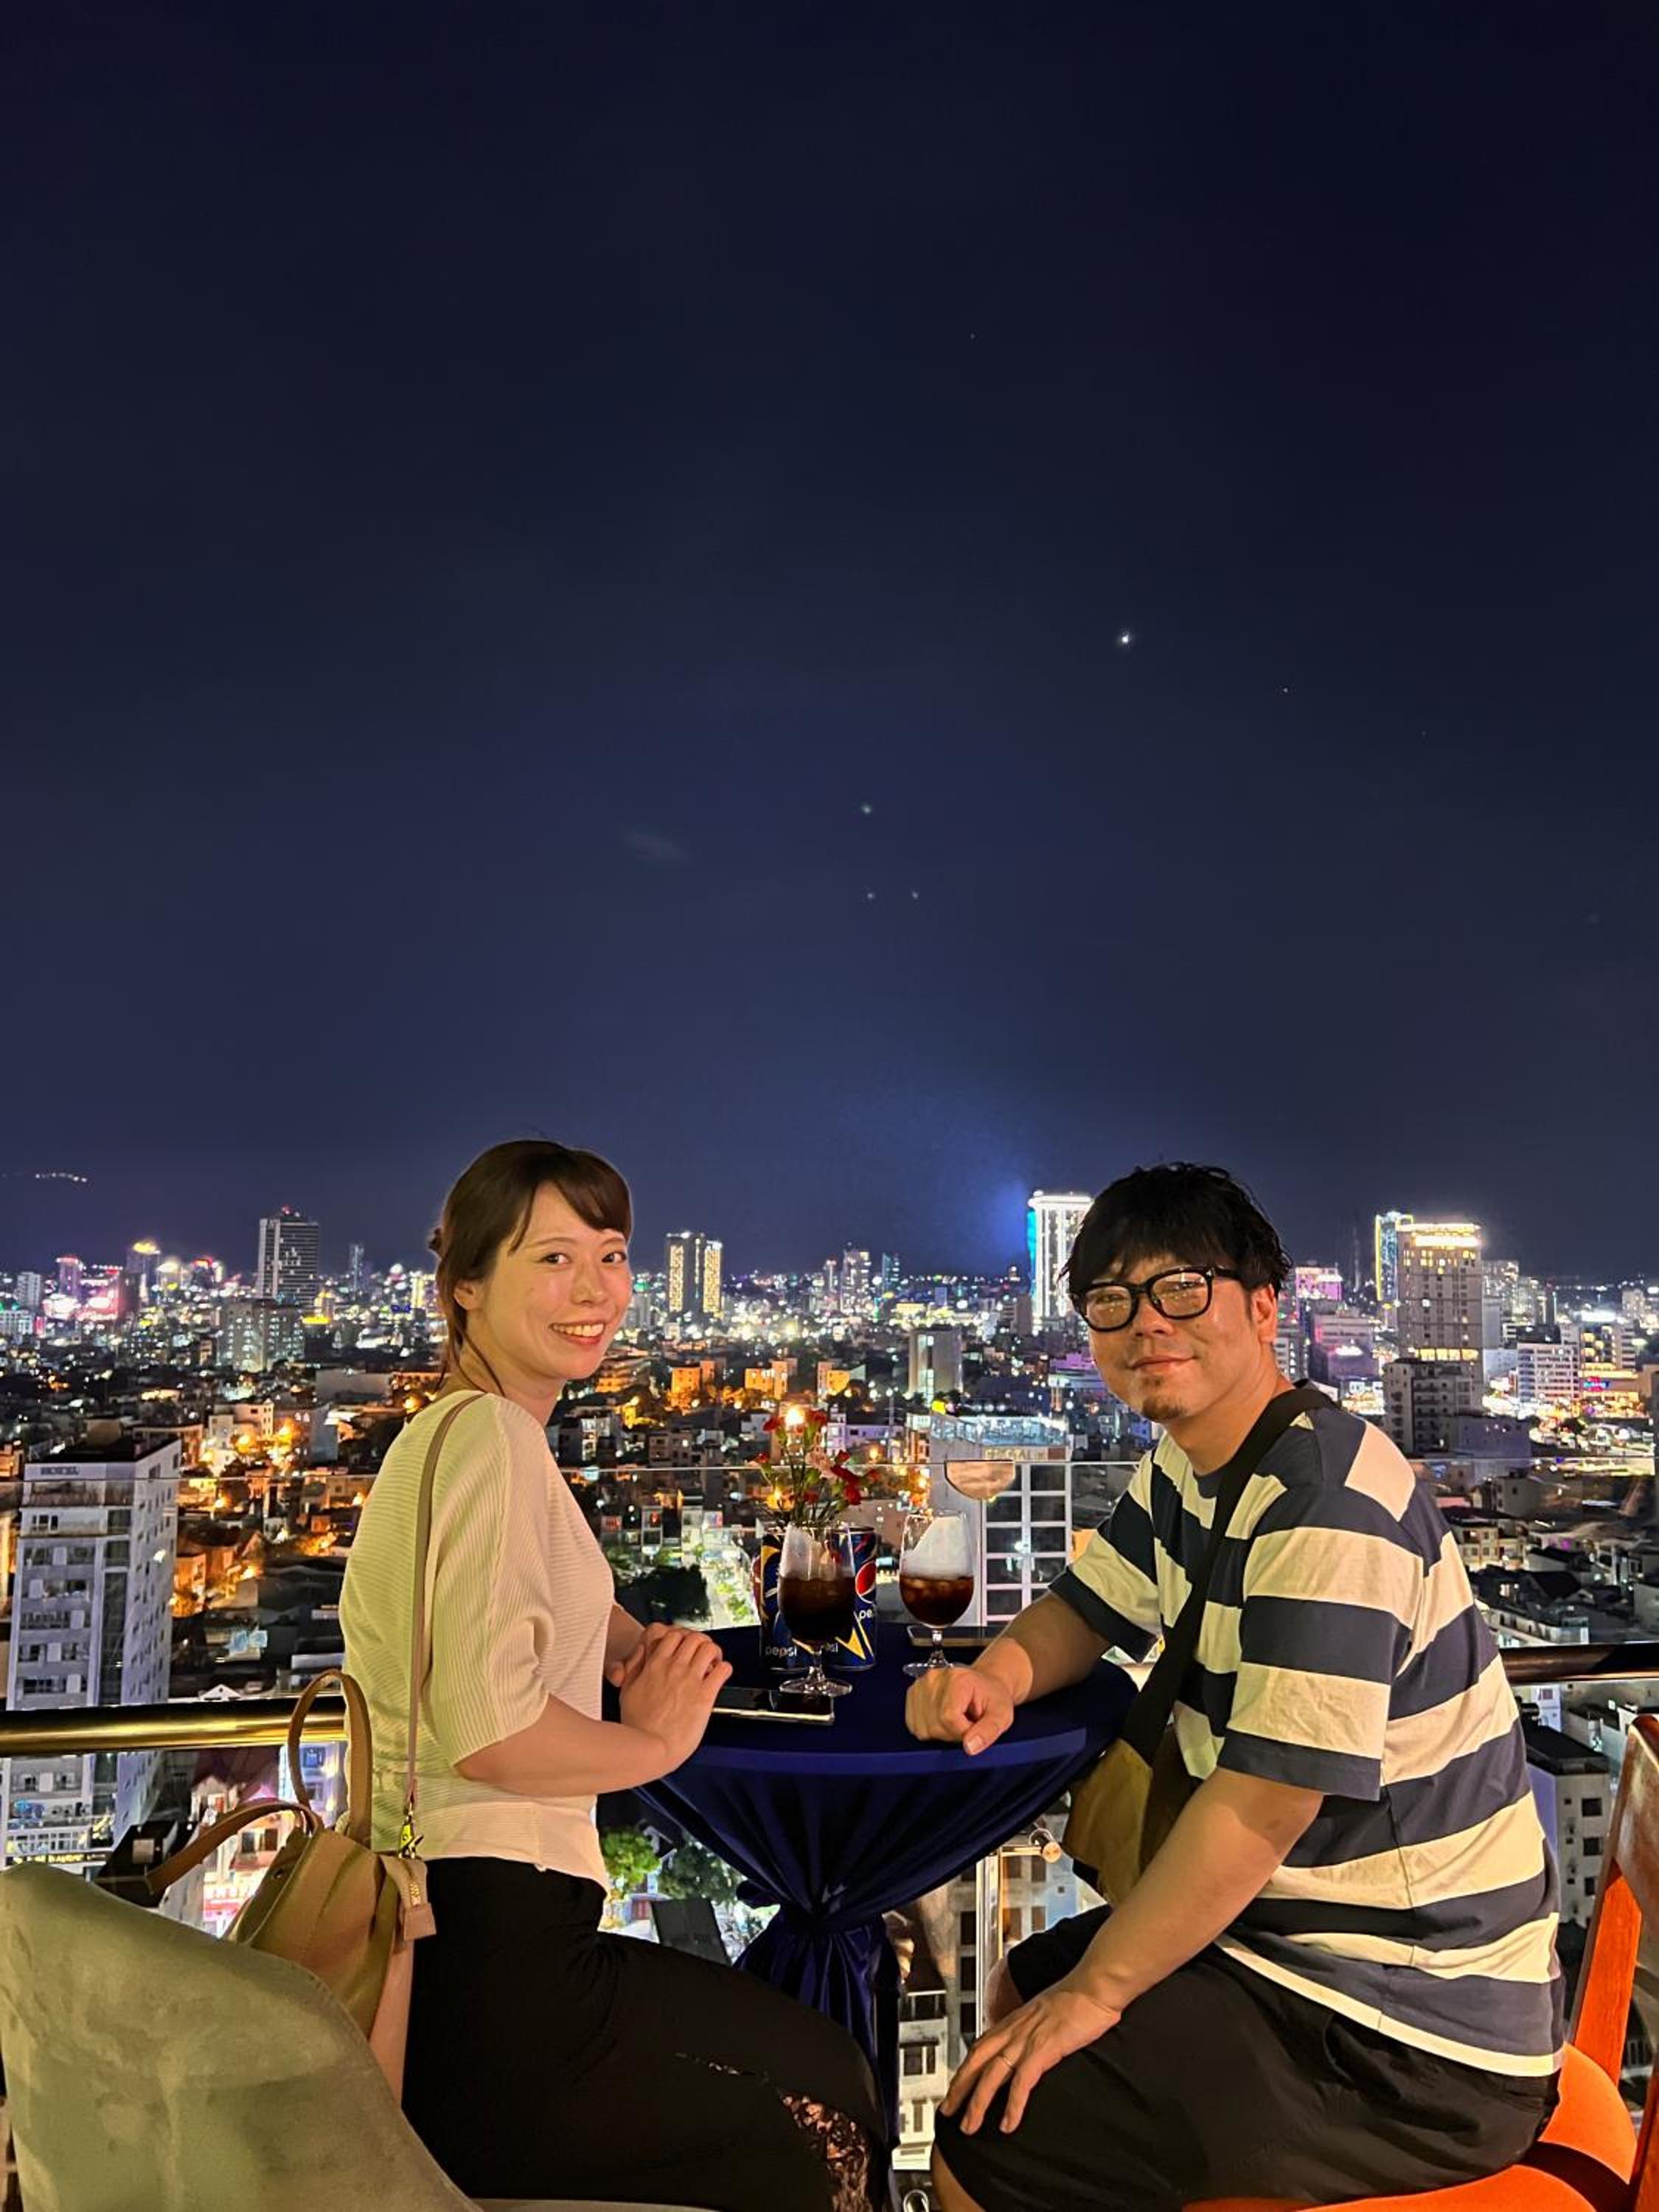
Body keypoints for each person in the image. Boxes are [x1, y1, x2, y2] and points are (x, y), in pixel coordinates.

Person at [908, 1163, 1561, 2212]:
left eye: (1180, 1288)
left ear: (1264, 1306)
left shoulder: (1324, 1500)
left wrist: (1101, 1993)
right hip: (1289, 1946)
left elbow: (1266, 1802)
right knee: (1024, 1983)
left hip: (1413, 2029)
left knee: (989, 2133)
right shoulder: (1194, 1462)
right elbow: (1087, 1607)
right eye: (1112, 1300)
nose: (1145, 1324)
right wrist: (996, 1673)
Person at [340, 1139, 880, 2211]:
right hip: (499, 1966)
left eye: (612, 1254)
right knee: (826, 2109)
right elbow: (493, 1734)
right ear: (466, 1285)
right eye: (551, 1259)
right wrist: (656, 1742)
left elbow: (509, 1617)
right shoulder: (492, 1441)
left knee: (822, 2081)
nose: (594, 1290)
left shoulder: (454, 1437)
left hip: (457, 1945)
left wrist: (632, 1646)